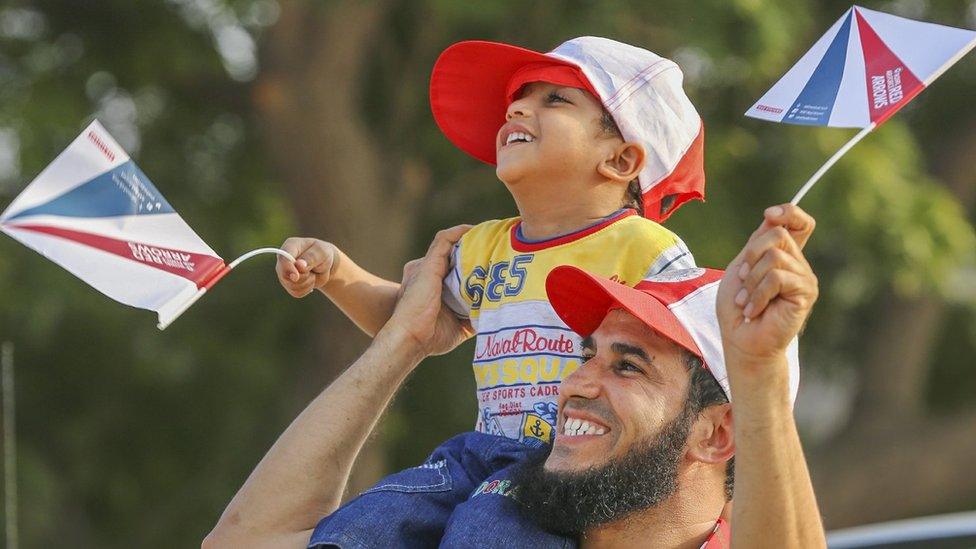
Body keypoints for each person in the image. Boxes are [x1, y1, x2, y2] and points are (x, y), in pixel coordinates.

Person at [271, 36, 705, 545]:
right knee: (368, 519)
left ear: (621, 161)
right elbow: (409, 322)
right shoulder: (483, 246)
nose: (517, 107)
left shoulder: (646, 249)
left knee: (487, 533)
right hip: (480, 453)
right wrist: (339, 273)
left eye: (556, 98)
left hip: (568, 459)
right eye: (518, 99)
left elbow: (691, 364)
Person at [204, 204, 826, 548]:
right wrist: (403, 341)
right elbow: (245, 542)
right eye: (587, 354)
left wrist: (760, 372)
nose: (577, 383)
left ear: (716, 436)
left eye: (628, 365)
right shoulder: (471, 532)